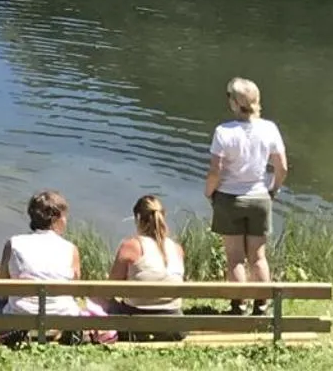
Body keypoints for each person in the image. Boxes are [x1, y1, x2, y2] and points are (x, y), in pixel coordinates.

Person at [205, 76, 287, 314]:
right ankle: (262, 305)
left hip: (229, 198)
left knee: (235, 258)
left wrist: (209, 192)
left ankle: (238, 306)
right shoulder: (269, 129)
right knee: (258, 257)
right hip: (260, 198)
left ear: (234, 103)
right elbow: (282, 167)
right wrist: (273, 189)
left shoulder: (223, 132)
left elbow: (215, 171)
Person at [0, 189, 86, 320]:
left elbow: (3, 292)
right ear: (57, 219)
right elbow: (75, 290)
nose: (66, 221)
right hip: (63, 316)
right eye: (65, 216)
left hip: (20, 316)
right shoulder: (71, 249)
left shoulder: (14, 244)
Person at [109, 194, 186, 314]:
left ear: (138, 218)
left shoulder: (131, 246)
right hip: (174, 321)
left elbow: (110, 288)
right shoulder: (177, 249)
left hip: (135, 319)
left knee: (103, 302)